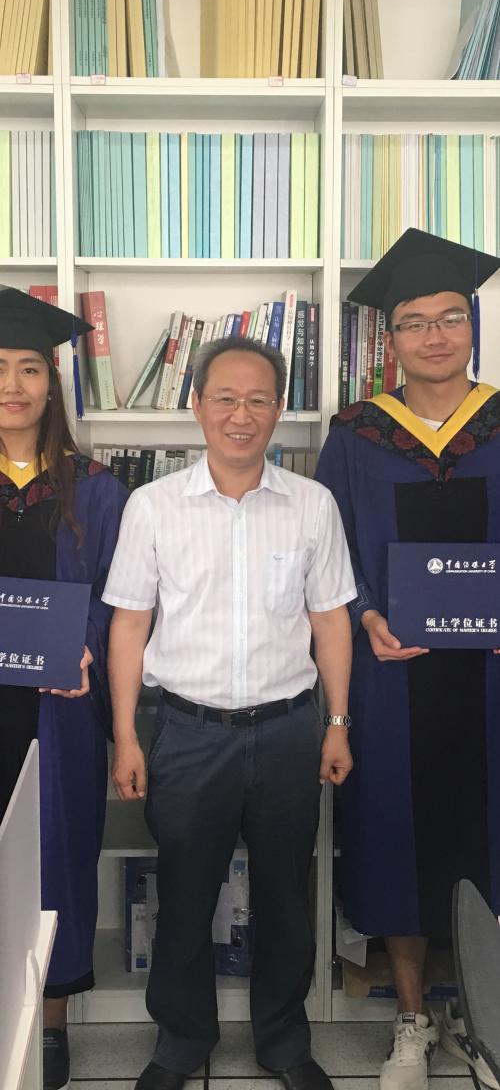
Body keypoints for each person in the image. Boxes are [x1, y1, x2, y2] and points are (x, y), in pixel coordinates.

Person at [103, 335, 356, 1090]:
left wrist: (337, 722)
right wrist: (126, 736)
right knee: (184, 899)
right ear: (197, 405)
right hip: (186, 733)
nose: (240, 415)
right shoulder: (153, 507)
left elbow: (331, 620)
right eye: (225, 398)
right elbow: (129, 624)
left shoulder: (312, 504)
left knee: (286, 898)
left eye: (257, 400)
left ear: (278, 409)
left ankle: (284, 1042)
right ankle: (182, 1042)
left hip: (288, 731)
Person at [315, 229, 500, 1090]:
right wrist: (366, 612)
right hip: (391, 677)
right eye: (415, 322)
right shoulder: (357, 435)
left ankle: (490, 1018)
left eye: (451, 318)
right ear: (390, 339)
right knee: (398, 836)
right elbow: (326, 554)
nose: (435, 336)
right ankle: (414, 1020)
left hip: (491, 680)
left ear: (472, 326)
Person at [0, 287, 128, 1090]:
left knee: (54, 860)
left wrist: (84, 650)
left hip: (62, 709)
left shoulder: (95, 488)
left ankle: (48, 1022)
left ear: (51, 384)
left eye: (28, 368)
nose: (12, 386)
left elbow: (119, 597)